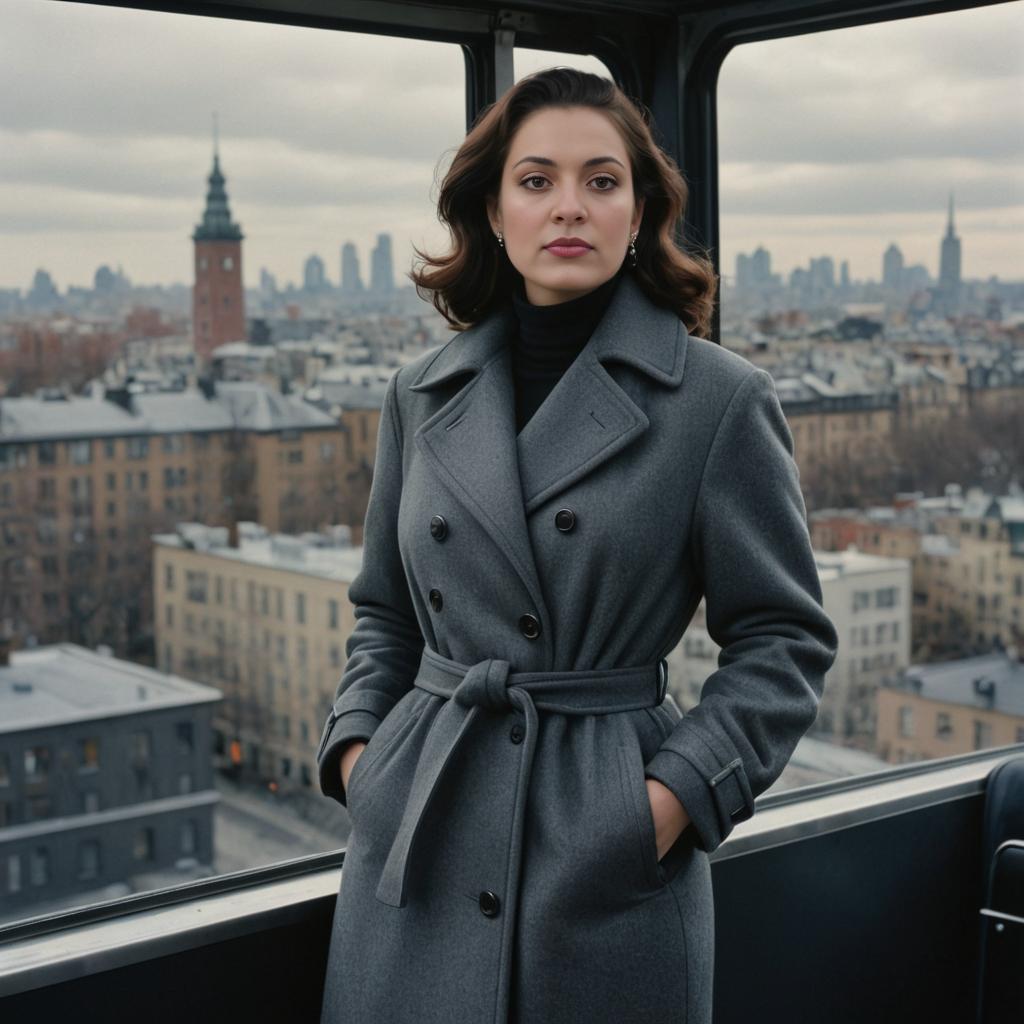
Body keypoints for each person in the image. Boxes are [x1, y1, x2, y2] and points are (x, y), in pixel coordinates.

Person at [316, 67, 839, 1024]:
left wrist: (661, 809)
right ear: (493, 208)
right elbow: (384, 612)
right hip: (419, 836)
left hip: (599, 854)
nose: (569, 207)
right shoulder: (417, 393)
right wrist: (361, 762)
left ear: (639, 213)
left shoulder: (717, 401)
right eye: (536, 180)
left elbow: (784, 642)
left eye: (602, 181)